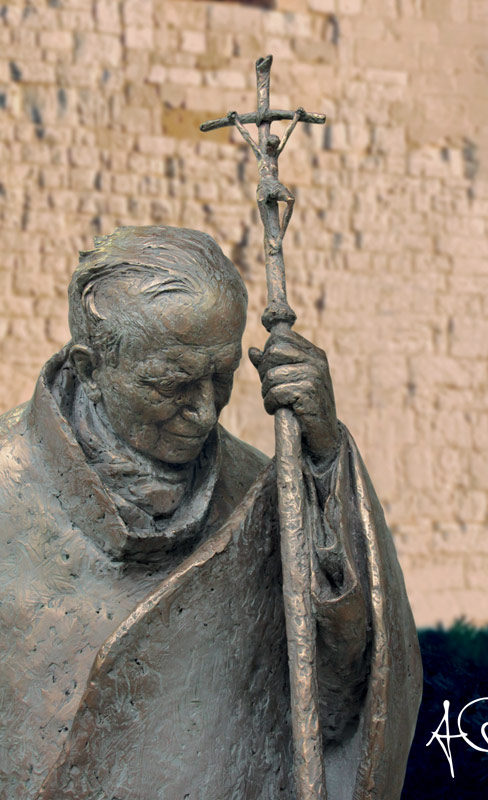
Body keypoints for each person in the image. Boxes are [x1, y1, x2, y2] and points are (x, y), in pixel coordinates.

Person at [0, 226, 421, 800]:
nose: (203, 412)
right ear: (90, 368)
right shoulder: (10, 484)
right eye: (172, 384)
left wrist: (323, 459)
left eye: (222, 378)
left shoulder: (262, 493)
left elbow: (341, 694)